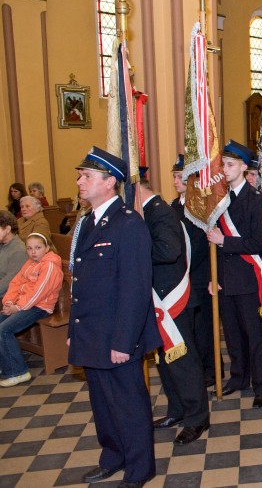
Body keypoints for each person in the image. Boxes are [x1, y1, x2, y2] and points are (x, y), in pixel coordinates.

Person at [70, 146, 161, 486]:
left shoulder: (128, 225)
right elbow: (80, 280)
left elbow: (135, 290)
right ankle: (113, 456)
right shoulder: (87, 223)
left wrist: (125, 340)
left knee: (128, 404)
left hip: (118, 336)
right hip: (92, 332)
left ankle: (140, 468)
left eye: (87, 176)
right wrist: (74, 329)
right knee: (103, 404)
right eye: (81, 175)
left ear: (109, 182)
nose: (80, 181)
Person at [139, 176, 210, 445]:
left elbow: (169, 250)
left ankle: (197, 418)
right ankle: (177, 411)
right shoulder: (148, 212)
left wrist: (135, 248)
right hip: (159, 299)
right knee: (166, 361)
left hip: (174, 298)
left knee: (183, 362)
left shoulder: (160, 213)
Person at [206, 140, 262, 408]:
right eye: (223, 164)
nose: (224, 169)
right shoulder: (219, 200)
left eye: (230, 164)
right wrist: (215, 277)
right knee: (232, 334)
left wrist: (224, 240)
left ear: (245, 168)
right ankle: (238, 377)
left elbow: (256, 242)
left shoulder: (255, 201)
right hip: (225, 279)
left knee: (255, 336)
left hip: (248, 279)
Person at [170, 155, 217, 386]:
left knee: (204, 326)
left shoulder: (200, 206)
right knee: (188, 326)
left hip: (199, 274)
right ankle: (194, 367)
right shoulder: (172, 207)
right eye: (174, 177)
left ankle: (210, 368)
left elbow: (204, 244)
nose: (176, 181)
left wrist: (209, 276)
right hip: (181, 277)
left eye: (180, 177)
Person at [0, 233, 63, 387]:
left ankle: (18, 372)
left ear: (47, 248)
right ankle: (6, 364)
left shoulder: (50, 265)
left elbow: (38, 292)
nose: (33, 252)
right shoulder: (29, 263)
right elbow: (15, 283)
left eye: (38, 248)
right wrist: (8, 302)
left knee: (3, 330)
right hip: (24, 304)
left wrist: (18, 307)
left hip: (40, 307)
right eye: (29, 248)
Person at [0, 211, 27, 299]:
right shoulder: (2, 244)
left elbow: (9, 281)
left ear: (7, 229)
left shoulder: (19, 250)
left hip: (6, 297)